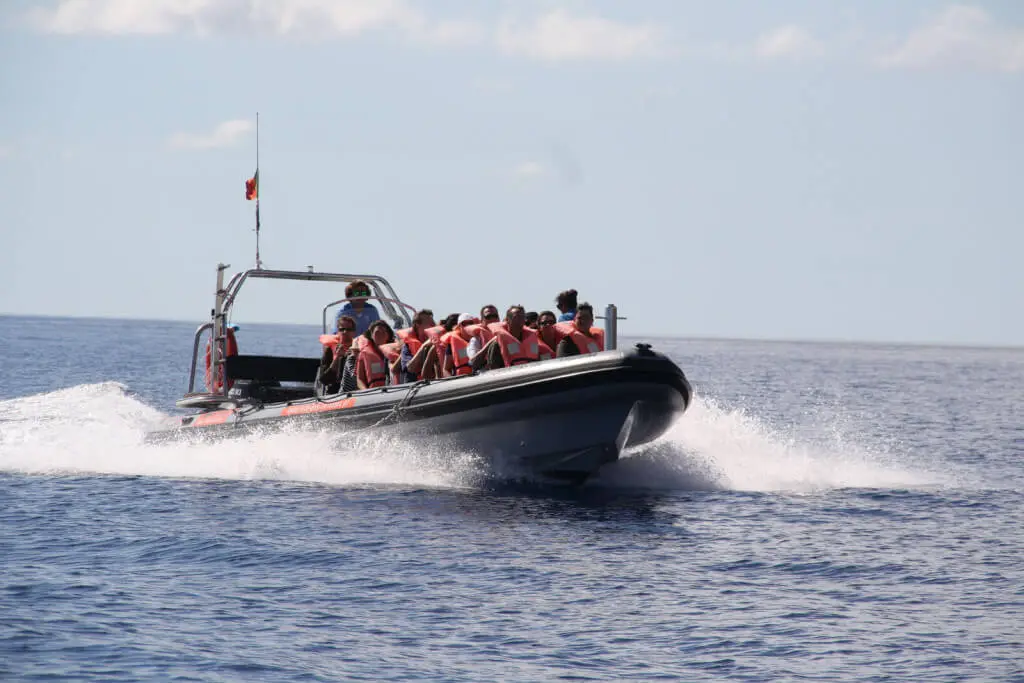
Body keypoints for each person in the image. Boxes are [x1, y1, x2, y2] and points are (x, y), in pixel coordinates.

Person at [480, 305, 542, 370]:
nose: (520, 320)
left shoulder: (533, 340)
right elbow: (495, 369)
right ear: (507, 320)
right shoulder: (497, 344)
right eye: (516, 317)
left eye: (522, 317)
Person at [397, 309, 438, 383]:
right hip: (416, 387)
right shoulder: (407, 346)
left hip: (435, 384)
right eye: (431, 323)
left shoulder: (438, 342)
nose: (434, 326)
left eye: (433, 323)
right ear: (417, 325)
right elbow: (410, 368)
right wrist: (423, 347)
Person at [356, 320, 399, 389]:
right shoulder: (364, 354)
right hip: (374, 393)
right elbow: (359, 379)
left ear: (388, 335)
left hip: (394, 391)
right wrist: (366, 392)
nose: (380, 335)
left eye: (384, 332)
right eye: (377, 332)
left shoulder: (396, 351)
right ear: (371, 335)